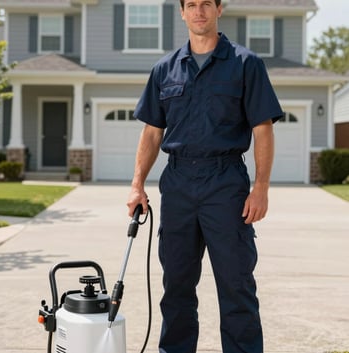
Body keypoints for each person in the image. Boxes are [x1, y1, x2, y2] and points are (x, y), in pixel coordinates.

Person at [127, 0, 283, 352]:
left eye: (206, 4)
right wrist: (137, 185)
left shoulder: (246, 65)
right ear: (182, 12)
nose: (199, 11)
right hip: (179, 184)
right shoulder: (164, 69)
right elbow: (152, 133)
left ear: (219, 9)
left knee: (236, 284)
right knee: (177, 286)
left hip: (225, 184)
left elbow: (263, 129)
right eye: (192, 5)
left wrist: (261, 188)